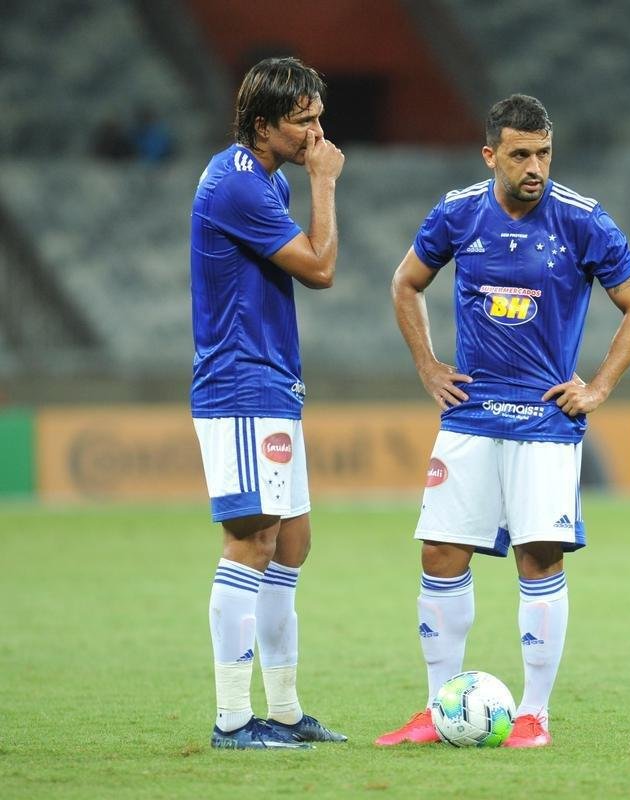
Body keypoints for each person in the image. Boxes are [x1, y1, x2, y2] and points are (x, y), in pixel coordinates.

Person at [375, 94, 630, 749]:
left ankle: (535, 714)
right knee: (441, 552)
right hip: (470, 415)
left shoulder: (583, 221)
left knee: (538, 556)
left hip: (545, 422)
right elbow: (405, 282)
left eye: (544, 153)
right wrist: (427, 365)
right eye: (521, 154)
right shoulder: (457, 212)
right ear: (491, 154)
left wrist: (599, 386)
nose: (536, 166)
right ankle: (436, 708)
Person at [190, 56, 346, 749]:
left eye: (319, 118)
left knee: (292, 543)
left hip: (273, 381)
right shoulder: (240, 186)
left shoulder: (262, 180)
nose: (317, 133)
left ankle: (282, 711)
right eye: (302, 121)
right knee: (251, 539)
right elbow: (320, 269)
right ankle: (232, 721)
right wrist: (325, 182)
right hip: (241, 383)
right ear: (262, 126)